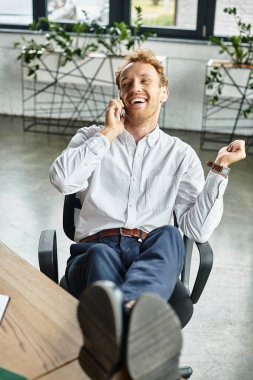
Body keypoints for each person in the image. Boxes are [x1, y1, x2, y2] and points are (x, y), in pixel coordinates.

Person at [49, 48, 246, 380]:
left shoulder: (180, 155)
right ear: (120, 96)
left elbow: (195, 231)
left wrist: (220, 171)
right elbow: (62, 179)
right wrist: (108, 134)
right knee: (100, 253)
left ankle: (121, 331)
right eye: (126, 83)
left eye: (145, 80)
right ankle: (139, 348)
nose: (134, 87)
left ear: (163, 92)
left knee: (170, 235)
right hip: (93, 254)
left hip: (149, 258)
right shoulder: (91, 137)